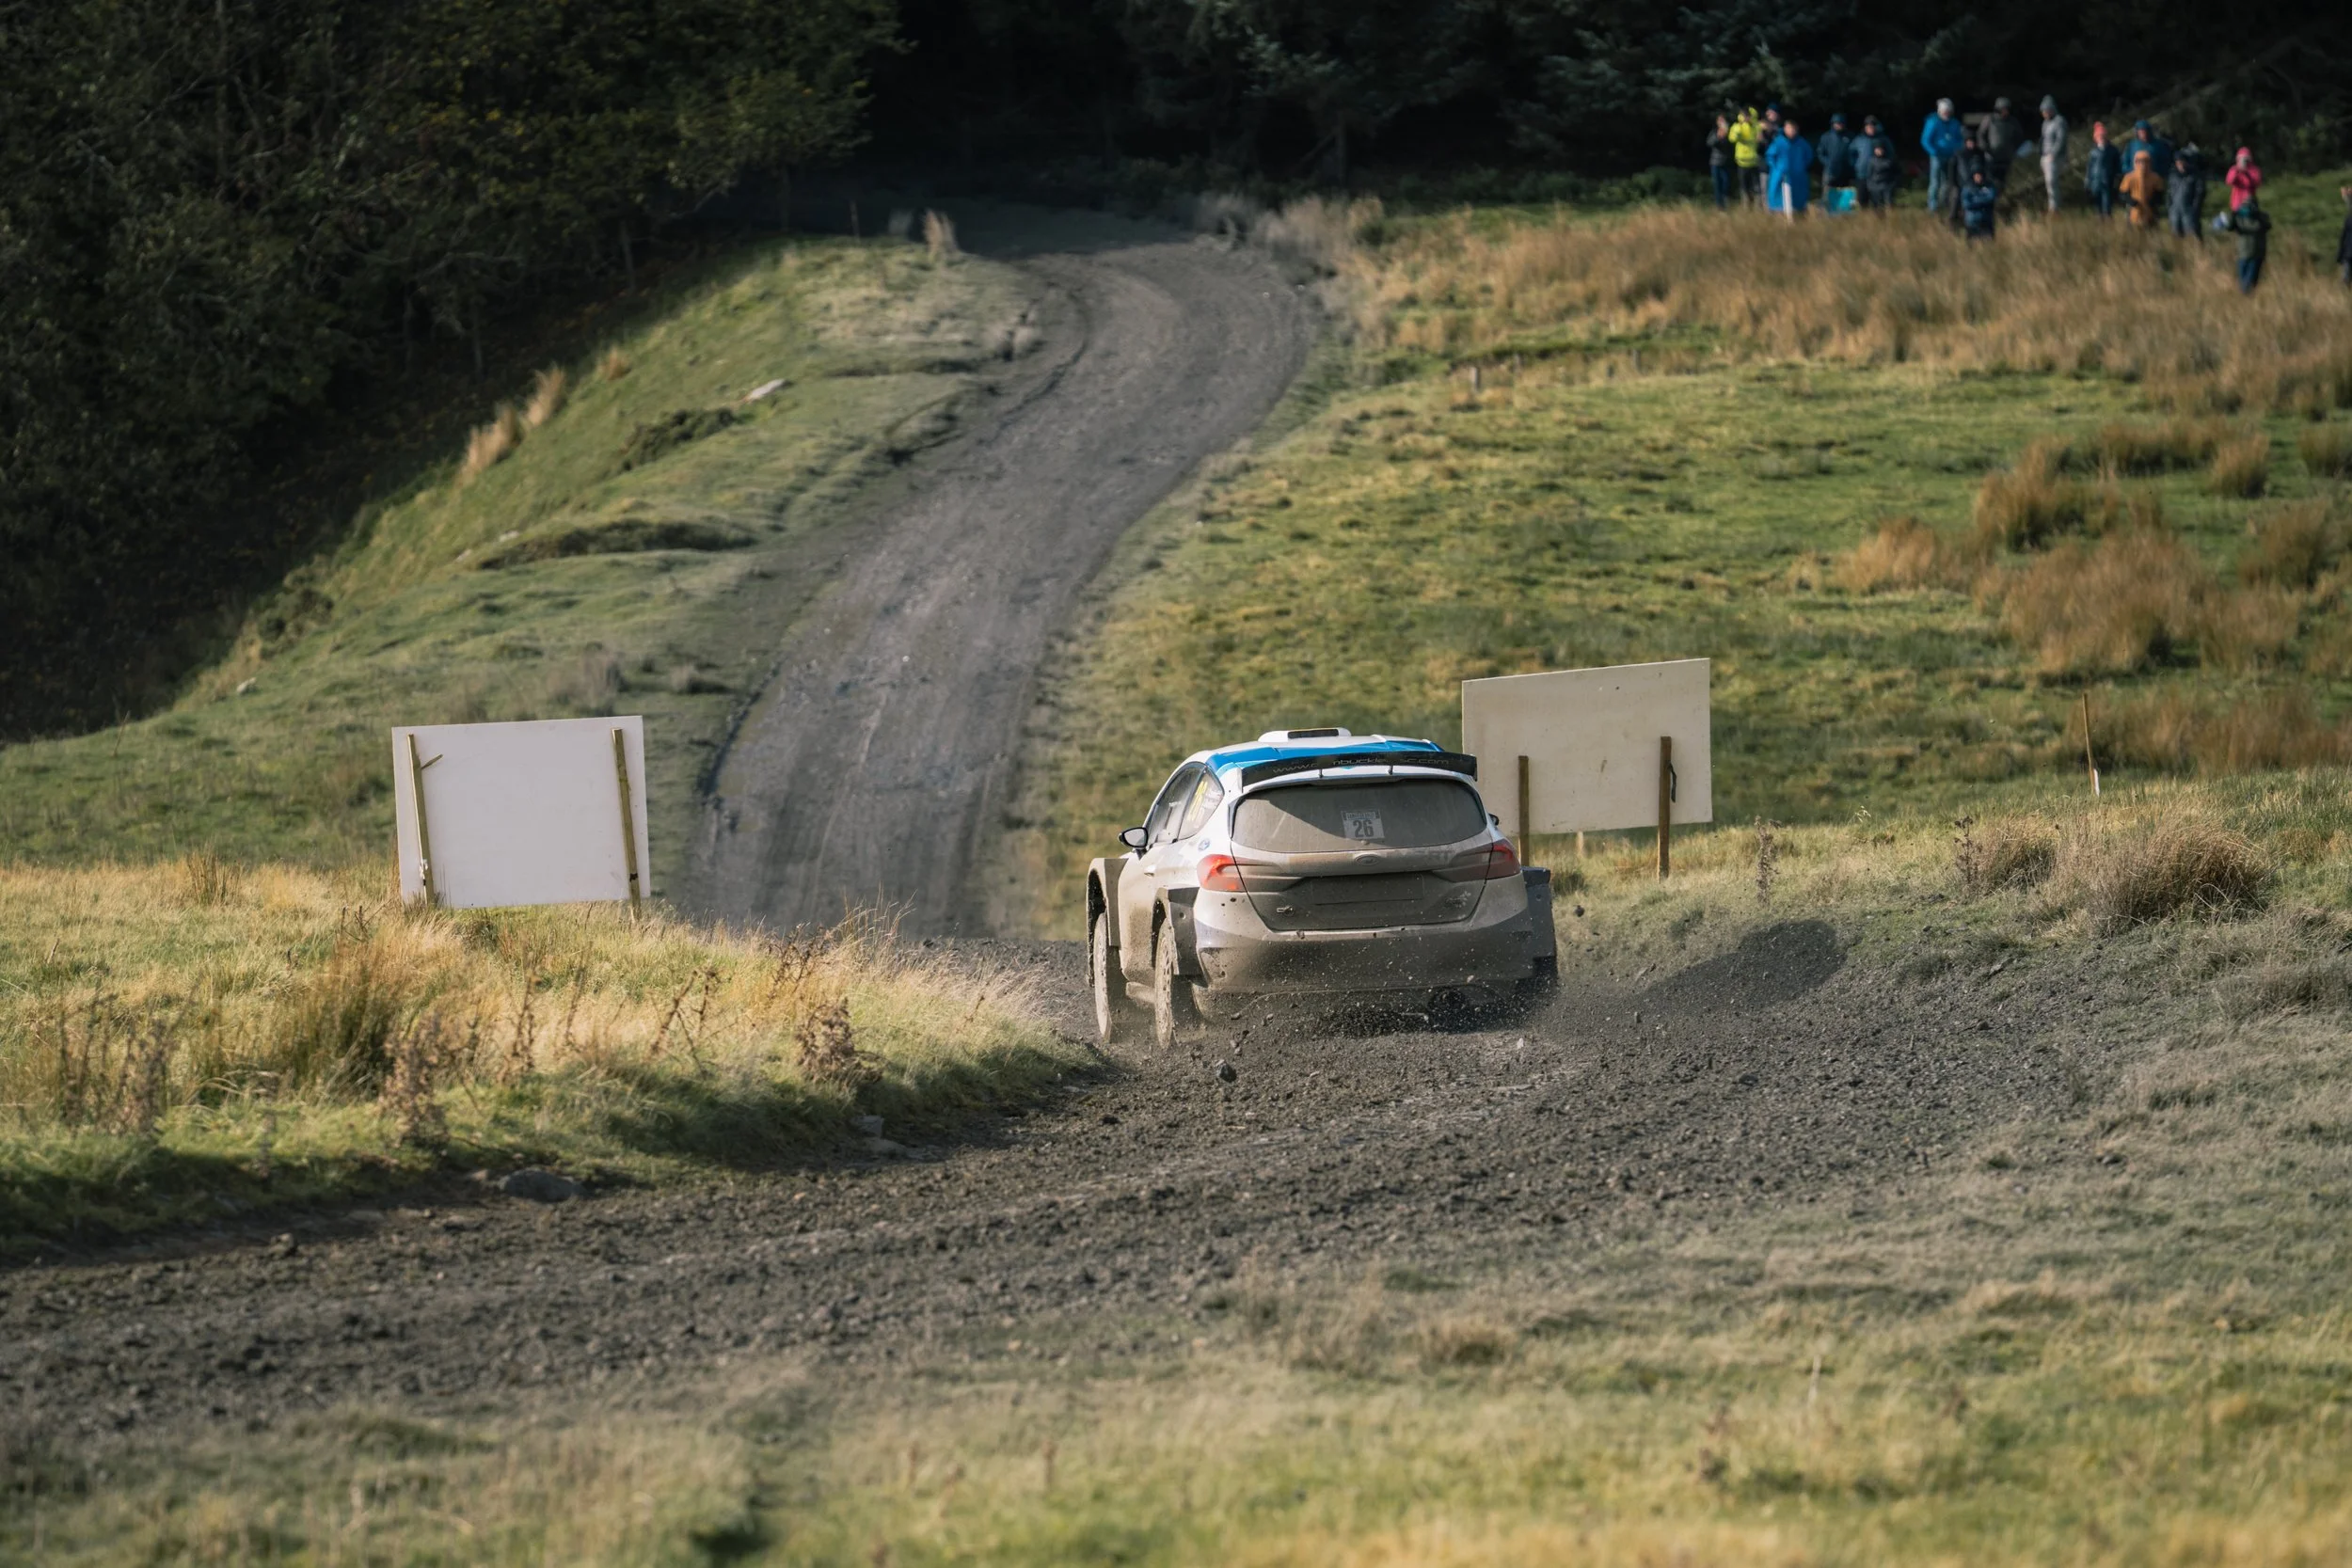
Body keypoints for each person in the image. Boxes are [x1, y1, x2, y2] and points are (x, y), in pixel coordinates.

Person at [2216, 195, 2273, 293]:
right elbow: (2267, 226)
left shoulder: (2240, 218)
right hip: (2256, 253)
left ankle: (2244, 297)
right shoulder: (2261, 217)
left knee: (2244, 280)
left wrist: (2233, 215)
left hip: (2244, 253)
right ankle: (2246, 298)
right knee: (2250, 281)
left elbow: (2229, 227)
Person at [1922, 98, 1965, 214]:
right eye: (1944, 111)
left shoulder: (1954, 123)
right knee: (1935, 182)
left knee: (1947, 182)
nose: (1946, 113)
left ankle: (1943, 204)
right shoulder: (1933, 122)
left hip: (1951, 156)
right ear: (1939, 111)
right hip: (1937, 156)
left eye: (1948, 111)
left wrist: (1957, 149)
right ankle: (1932, 206)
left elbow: (1960, 139)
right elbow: (1926, 140)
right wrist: (1933, 151)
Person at [1765, 118, 1814, 216]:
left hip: (1797, 176)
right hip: (1780, 176)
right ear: (1785, 129)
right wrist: (1777, 168)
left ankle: (1798, 216)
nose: (1791, 131)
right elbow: (1770, 156)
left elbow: (1809, 156)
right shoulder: (1779, 142)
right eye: (1789, 128)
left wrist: (1801, 167)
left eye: (1793, 129)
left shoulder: (1802, 143)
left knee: (1798, 198)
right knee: (1778, 198)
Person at [1982, 96, 2027, 192]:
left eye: (2006, 109)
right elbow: (1981, 134)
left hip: (2007, 157)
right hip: (1992, 156)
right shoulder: (1990, 119)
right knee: (1991, 178)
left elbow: (2019, 136)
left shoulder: (2013, 122)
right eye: (2003, 109)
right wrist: (1985, 148)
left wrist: (2014, 149)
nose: (2005, 111)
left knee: (2005, 180)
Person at [1817, 113, 1857, 213]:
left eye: (1840, 123)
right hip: (1830, 171)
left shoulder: (1850, 136)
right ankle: (1826, 212)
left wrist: (1852, 164)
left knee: (1846, 193)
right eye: (1836, 123)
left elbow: (1854, 153)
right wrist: (1828, 163)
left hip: (1846, 171)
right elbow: (1820, 153)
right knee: (1827, 192)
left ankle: (1844, 212)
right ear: (1832, 124)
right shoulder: (1826, 137)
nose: (1838, 125)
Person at [2119, 147, 2167, 229]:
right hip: (2134, 209)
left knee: (2151, 231)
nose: (2143, 164)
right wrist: (2131, 201)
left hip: (2150, 209)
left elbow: (2160, 193)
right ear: (2135, 162)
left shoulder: (2155, 177)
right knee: (2133, 230)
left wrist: (2154, 201)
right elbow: (2123, 193)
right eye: (2139, 161)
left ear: (2150, 162)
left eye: (2146, 161)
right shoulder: (2129, 177)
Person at [2169, 143, 2206, 238]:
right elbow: (2169, 194)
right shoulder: (2173, 176)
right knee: (2176, 236)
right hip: (2175, 212)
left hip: (2189, 212)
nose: (2181, 165)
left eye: (2182, 162)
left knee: (2192, 236)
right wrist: (2169, 207)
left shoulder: (2195, 176)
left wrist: (2195, 208)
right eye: (2178, 163)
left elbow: (2200, 193)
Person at [2086, 121, 2122, 217]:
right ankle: (2100, 221)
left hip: (2108, 180)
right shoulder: (2093, 152)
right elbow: (2089, 168)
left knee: (2107, 203)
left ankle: (2108, 219)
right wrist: (2088, 182)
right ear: (2095, 138)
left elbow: (2117, 165)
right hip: (2095, 181)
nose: (2101, 138)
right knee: (2097, 203)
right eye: (2099, 136)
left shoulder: (2113, 150)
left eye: (2103, 136)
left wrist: (2117, 178)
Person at [2039, 97, 2069, 212]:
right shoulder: (2045, 123)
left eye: (2045, 111)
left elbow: (2061, 140)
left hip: (2055, 158)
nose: (2044, 114)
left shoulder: (2059, 121)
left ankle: (2054, 208)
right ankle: (2052, 205)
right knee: (2048, 183)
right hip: (2045, 156)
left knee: (2052, 182)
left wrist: (2053, 154)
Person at [1730, 107, 1764, 205]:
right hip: (1742, 162)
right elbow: (1732, 138)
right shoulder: (1737, 126)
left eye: (1748, 115)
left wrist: (1761, 137)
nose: (1746, 118)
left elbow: (1761, 139)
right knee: (1744, 187)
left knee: (1756, 187)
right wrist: (1739, 127)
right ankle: (1746, 206)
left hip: (1754, 161)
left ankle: (1757, 207)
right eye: (1745, 115)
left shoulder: (1757, 127)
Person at [2129, 120, 2174, 187]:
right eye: (2141, 131)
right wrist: (2131, 172)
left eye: (2145, 131)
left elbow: (2166, 161)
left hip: (2156, 181)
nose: (2143, 134)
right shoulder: (2132, 145)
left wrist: (2159, 174)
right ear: (2137, 133)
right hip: (2138, 181)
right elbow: (2125, 162)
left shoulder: (2158, 145)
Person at [1862, 133, 1900, 211]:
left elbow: (1897, 173)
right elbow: (1869, 175)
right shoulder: (1872, 161)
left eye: (1881, 149)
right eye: (1877, 149)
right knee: (1876, 207)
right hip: (1875, 187)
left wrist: (1893, 184)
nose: (1879, 151)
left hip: (1887, 186)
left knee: (1889, 205)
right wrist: (1870, 186)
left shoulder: (1890, 160)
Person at [1961, 166, 1999, 241]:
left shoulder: (1989, 187)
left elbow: (1991, 199)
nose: (1979, 177)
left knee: (1988, 243)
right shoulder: (1967, 188)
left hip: (1986, 220)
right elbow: (1966, 204)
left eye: (1981, 175)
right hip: (1972, 221)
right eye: (1977, 175)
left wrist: (1975, 199)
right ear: (1973, 176)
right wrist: (1983, 201)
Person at [1708, 114, 1737, 209]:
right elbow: (1709, 143)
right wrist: (1718, 137)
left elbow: (1732, 145)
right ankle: (1719, 205)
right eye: (1719, 121)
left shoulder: (1730, 133)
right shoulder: (1714, 132)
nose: (1721, 123)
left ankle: (1725, 202)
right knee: (1717, 184)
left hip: (1726, 162)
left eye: (1723, 120)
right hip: (1715, 163)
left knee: (1726, 183)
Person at [2225, 147, 2264, 213]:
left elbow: (2257, 182)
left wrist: (2246, 173)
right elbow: (2229, 181)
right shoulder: (2234, 169)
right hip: (2237, 202)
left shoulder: (2254, 169)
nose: (2243, 161)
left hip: (2250, 201)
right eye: (2241, 158)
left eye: (2245, 159)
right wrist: (2237, 170)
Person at [2339, 186, 2352, 284]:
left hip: (2349, 253)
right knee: (2345, 278)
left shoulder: (2349, 220)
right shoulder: (2349, 220)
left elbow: (2343, 238)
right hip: (2349, 253)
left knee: (2345, 278)